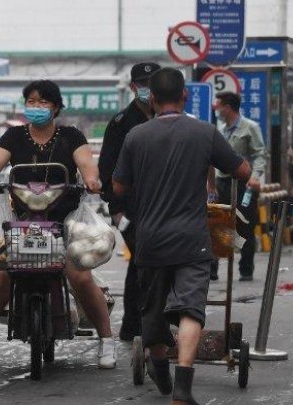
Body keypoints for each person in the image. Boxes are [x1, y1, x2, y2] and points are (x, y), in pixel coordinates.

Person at [112, 67, 251, 404]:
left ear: (153, 99)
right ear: (185, 96)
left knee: (154, 311)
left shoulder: (136, 136)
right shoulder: (204, 133)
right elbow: (242, 170)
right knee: (191, 309)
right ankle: (183, 388)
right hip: (192, 239)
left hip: (150, 240)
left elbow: (117, 185)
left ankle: (160, 366)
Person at [0, 79, 117, 370]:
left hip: (64, 221)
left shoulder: (71, 135)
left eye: (43, 102)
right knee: (4, 275)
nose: (36, 107)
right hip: (23, 221)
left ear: (55, 106)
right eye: (31, 102)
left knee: (80, 276)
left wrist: (91, 179)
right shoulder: (14, 136)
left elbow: (87, 164)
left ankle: (106, 340)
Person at [98, 61, 160, 342]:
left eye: (153, 84)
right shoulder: (121, 123)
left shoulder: (168, 118)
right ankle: (135, 325)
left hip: (165, 205)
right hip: (132, 207)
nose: (147, 90)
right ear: (134, 87)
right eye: (142, 85)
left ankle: (149, 322)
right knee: (141, 261)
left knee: (154, 263)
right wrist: (116, 210)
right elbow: (107, 168)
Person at [209, 91, 267, 282]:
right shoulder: (220, 130)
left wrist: (255, 177)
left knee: (245, 226)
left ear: (228, 107)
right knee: (217, 223)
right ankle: (213, 267)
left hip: (244, 184)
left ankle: (246, 268)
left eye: (219, 106)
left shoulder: (250, 128)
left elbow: (260, 155)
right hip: (222, 183)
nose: (216, 109)